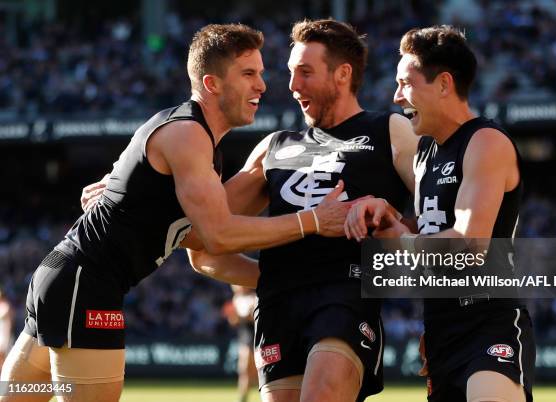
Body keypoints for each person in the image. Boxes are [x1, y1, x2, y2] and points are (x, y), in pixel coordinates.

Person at [0, 23, 350, 402]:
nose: (263, 86)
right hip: (86, 288)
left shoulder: (191, 138)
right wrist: (313, 220)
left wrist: (285, 278)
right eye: (248, 74)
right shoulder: (188, 135)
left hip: (62, 279)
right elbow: (218, 235)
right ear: (212, 83)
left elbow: (199, 243)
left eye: (261, 74)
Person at [190, 19, 419, 402]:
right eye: (291, 73)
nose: (293, 87)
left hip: (344, 296)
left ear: (343, 74)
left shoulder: (389, 129)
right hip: (277, 306)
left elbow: (444, 212)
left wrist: (395, 227)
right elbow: (200, 238)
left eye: (305, 73)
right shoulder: (274, 146)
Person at [345, 26, 536, 402]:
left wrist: (398, 239)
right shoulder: (423, 154)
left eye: (406, 83)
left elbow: (469, 244)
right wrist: (384, 216)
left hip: (489, 320)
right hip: (438, 328)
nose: (397, 96)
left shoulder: (486, 141)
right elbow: (431, 228)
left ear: (444, 83)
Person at [223, 286, 258, 402]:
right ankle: (243, 397)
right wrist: (235, 317)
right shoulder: (236, 299)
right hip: (244, 336)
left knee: (255, 370)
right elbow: (233, 321)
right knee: (244, 370)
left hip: (255, 335)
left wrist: (244, 317)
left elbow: (255, 317)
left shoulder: (254, 297)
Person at [0, 287, 14, 371]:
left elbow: (9, 323)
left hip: (3, 333)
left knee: (3, 356)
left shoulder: (6, 306)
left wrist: (7, 336)